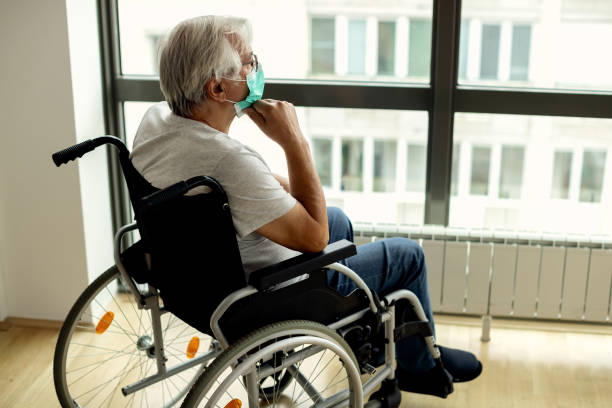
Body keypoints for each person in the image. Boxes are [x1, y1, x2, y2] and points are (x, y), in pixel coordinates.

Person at [130, 15, 482, 397]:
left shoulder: (157, 123)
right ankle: (420, 366)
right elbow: (314, 239)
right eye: (249, 62)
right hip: (264, 293)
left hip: (195, 280)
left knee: (338, 220)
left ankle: (365, 341)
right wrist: (295, 141)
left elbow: (255, 186)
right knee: (407, 255)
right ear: (217, 87)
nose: (255, 69)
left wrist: (278, 184)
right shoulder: (227, 161)